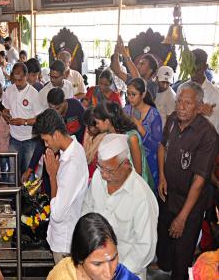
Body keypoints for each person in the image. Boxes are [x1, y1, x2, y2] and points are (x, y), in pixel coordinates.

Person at [156, 81, 218, 280]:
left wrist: (182, 217)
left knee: (182, 252)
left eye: (188, 103)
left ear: (199, 107)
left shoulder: (207, 134)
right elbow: (162, 146)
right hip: (168, 194)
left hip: (190, 202)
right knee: (165, 242)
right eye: (179, 101)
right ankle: (163, 267)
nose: (181, 107)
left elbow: (200, 180)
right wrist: (162, 177)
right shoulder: (173, 119)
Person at [82, 133, 159, 279]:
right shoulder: (99, 178)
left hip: (126, 273)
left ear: (126, 163)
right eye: (100, 167)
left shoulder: (141, 196)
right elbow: (87, 210)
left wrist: (115, 272)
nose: (104, 175)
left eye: (109, 170)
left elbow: (145, 248)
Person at [33, 109, 88, 264]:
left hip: (65, 241)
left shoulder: (72, 164)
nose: (46, 144)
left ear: (56, 134)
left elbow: (57, 214)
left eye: (46, 140)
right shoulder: (73, 149)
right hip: (62, 236)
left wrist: (52, 176)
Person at [25, 88, 86, 190]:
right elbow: (42, 143)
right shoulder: (50, 116)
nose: (54, 111)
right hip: (52, 155)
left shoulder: (77, 108)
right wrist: (31, 167)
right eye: (51, 107)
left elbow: (84, 132)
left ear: (64, 102)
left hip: (71, 154)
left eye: (57, 108)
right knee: (49, 186)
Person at [47, 213, 139, 280]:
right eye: (98, 264)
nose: (109, 274)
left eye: (113, 259)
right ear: (80, 258)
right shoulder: (62, 276)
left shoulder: (124, 277)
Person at [93, 101, 154, 190]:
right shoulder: (109, 135)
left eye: (97, 122)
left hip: (135, 184)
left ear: (107, 121)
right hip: (121, 181)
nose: (96, 126)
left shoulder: (131, 137)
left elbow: (138, 171)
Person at [2, 62, 43, 177]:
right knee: (12, 172)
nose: (17, 83)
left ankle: (27, 195)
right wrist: (5, 115)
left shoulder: (33, 94)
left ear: (26, 76)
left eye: (20, 80)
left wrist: (24, 122)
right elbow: (5, 108)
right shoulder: (9, 90)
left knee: (27, 172)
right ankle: (14, 193)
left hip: (29, 139)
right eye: (15, 80)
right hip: (14, 138)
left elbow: (39, 119)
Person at [123, 77, 162, 189]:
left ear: (143, 95)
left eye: (133, 94)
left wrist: (141, 129)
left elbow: (157, 146)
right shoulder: (125, 111)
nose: (130, 98)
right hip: (130, 160)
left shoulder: (154, 115)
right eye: (128, 94)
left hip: (149, 163)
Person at [112, 36, 159, 100]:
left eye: (142, 64)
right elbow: (117, 70)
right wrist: (116, 52)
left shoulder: (152, 86)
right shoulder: (132, 78)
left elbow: (139, 81)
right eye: (139, 63)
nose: (138, 66)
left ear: (150, 70)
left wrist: (125, 54)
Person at [190, 48, 219, 133]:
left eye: (197, 69)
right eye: (191, 69)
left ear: (205, 67)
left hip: (207, 144)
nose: (193, 73)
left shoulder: (216, 95)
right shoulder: (182, 88)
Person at [83, 107, 107, 181]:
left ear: (97, 125)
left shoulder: (105, 140)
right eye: (86, 126)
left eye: (89, 127)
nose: (87, 130)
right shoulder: (89, 133)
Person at [0, 101, 10, 179]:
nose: (7, 113)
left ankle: (9, 180)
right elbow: (4, 135)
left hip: (9, 149)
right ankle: (4, 181)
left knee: (10, 166)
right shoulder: (0, 123)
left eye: (8, 111)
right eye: (5, 111)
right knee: (3, 168)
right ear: (1, 112)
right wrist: (11, 126)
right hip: (2, 150)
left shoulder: (7, 120)